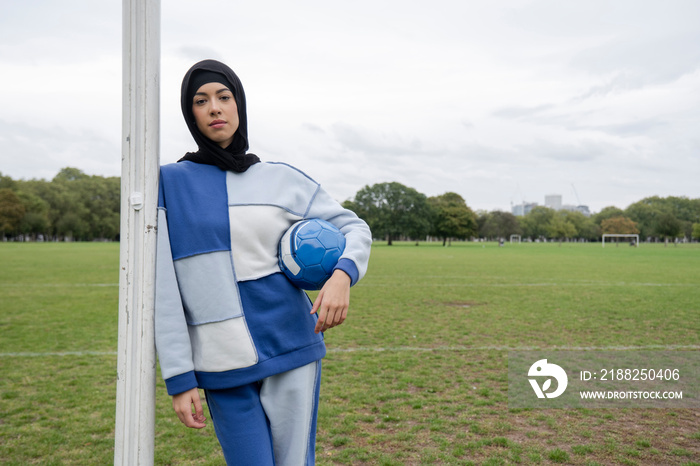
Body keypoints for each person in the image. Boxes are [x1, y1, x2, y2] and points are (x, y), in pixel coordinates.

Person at [155, 59, 372, 465]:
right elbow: (163, 290)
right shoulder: (168, 183)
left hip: (291, 345)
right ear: (191, 114)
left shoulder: (282, 178)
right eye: (201, 101)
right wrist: (179, 378)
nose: (215, 108)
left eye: (224, 96)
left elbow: (354, 227)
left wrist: (343, 275)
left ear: (239, 104)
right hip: (220, 361)